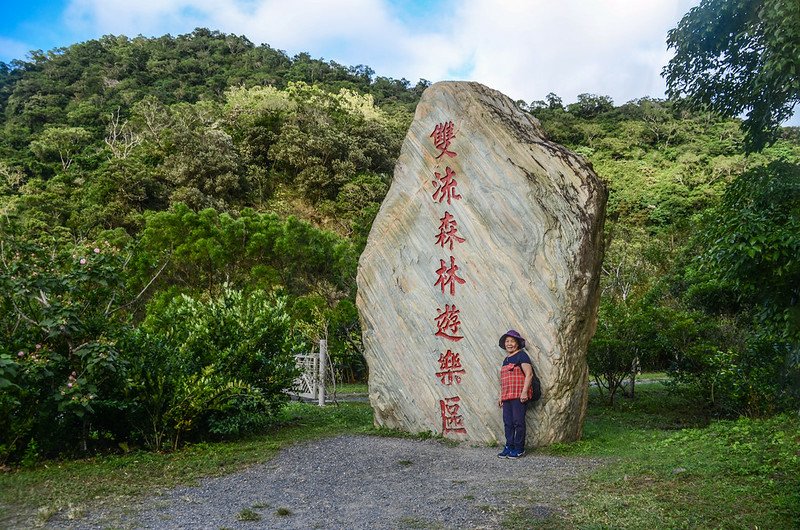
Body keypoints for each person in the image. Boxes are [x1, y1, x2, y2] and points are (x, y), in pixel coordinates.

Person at [497, 329, 533, 459]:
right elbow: (503, 380)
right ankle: (509, 446)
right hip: (507, 396)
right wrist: (500, 396)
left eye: (512, 341)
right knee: (508, 422)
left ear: (517, 343)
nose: (509, 344)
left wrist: (524, 392)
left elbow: (529, 374)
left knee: (518, 422)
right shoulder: (506, 359)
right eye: (507, 341)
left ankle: (519, 448)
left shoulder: (522, 356)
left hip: (519, 395)